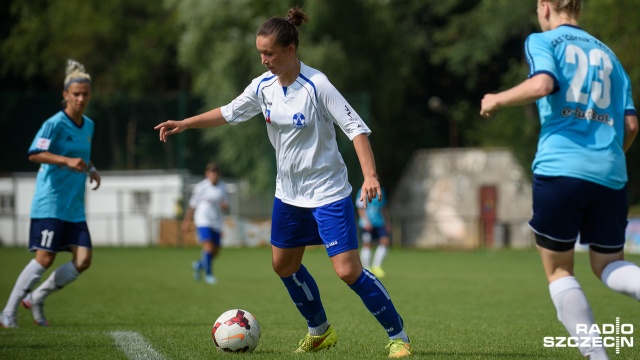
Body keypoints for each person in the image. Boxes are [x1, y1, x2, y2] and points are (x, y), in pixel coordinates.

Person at [154, 7, 412, 358]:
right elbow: (228, 112)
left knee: (348, 271)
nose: (264, 60)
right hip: (289, 196)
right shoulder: (263, 88)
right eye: (260, 53)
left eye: (269, 53)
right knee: (283, 265)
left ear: (290, 50)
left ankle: (398, 335)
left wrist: (369, 175)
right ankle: (320, 330)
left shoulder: (317, 85)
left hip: (328, 193)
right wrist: (185, 123)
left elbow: (356, 130)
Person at [480, 1, 640, 359]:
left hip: (560, 168)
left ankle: (597, 356)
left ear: (545, 7)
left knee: (559, 271)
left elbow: (542, 84)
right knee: (609, 264)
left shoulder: (544, 41)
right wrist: (608, 157)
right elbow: (631, 125)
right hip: (610, 173)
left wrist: (496, 99)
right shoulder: (611, 57)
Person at [1, 59, 101, 328]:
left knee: (84, 259)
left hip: (74, 205)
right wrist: (65, 161)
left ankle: (36, 298)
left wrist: (91, 169)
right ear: (65, 95)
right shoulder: (54, 123)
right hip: (51, 202)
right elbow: (34, 154)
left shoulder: (88, 125)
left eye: (85, 94)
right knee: (45, 258)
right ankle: (8, 311)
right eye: (76, 94)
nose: (81, 99)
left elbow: (81, 156)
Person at [182, 162, 229, 285]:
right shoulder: (201, 187)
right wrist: (187, 221)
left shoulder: (222, 187)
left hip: (216, 222)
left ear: (218, 174)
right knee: (208, 246)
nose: (213, 174)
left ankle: (199, 265)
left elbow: (226, 206)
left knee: (216, 251)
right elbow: (192, 206)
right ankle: (209, 275)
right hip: (203, 220)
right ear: (207, 174)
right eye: (211, 172)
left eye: (215, 172)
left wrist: (225, 207)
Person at [355, 186, 392, 278]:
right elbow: (360, 208)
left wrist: (387, 222)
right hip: (367, 224)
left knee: (385, 241)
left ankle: (377, 266)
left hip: (379, 223)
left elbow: (383, 208)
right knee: (367, 244)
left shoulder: (381, 191)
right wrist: (365, 221)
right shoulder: (362, 191)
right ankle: (366, 268)